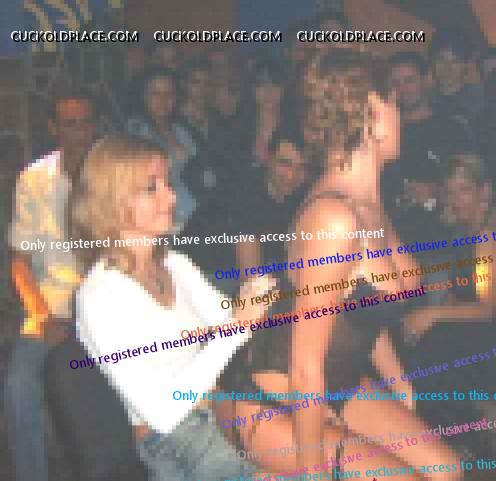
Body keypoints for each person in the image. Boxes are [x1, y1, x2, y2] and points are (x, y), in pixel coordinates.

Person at [221, 49, 462, 480]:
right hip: (274, 403)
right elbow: (304, 365)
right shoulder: (332, 218)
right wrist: (313, 472)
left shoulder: (369, 204)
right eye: (394, 104)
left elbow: (360, 309)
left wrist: (398, 382)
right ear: (373, 114)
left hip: (341, 384)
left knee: (447, 471)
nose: (400, 117)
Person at [71, 135, 276, 481]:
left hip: (220, 407)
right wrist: (237, 326)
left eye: (167, 183)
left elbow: (234, 324)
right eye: (151, 187)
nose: (171, 196)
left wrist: (275, 295)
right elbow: (162, 411)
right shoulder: (98, 297)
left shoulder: (175, 265)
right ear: (112, 201)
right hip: (174, 439)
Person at [5, 89, 97, 481]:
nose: (80, 133)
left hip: (107, 296)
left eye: (87, 123)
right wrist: (42, 317)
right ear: (53, 129)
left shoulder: (113, 172)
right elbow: (20, 260)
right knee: (17, 386)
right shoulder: (34, 179)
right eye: (70, 124)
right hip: (51, 300)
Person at [403, 151, 496, 460]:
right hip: (476, 327)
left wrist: (432, 315)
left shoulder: (486, 237)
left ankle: (458, 439)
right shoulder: (465, 231)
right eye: (451, 191)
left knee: (433, 352)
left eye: (464, 190)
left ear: (484, 191)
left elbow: (486, 309)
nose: (455, 200)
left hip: (488, 333)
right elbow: (463, 292)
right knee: (423, 343)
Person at [384, 51, 471, 248]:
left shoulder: (451, 128)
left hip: (443, 240)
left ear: (426, 80)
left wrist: (438, 192)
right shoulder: (384, 133)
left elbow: (476, 185)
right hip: (395, 240)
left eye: (409, 81)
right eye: (395, 83)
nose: (402, 89)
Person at [430, 28, 484, 132]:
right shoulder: (426, 97)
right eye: (441, 60)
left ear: (466, 64)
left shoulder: (479, 98)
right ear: (433, 61)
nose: (447, 68)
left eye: (455, 61)